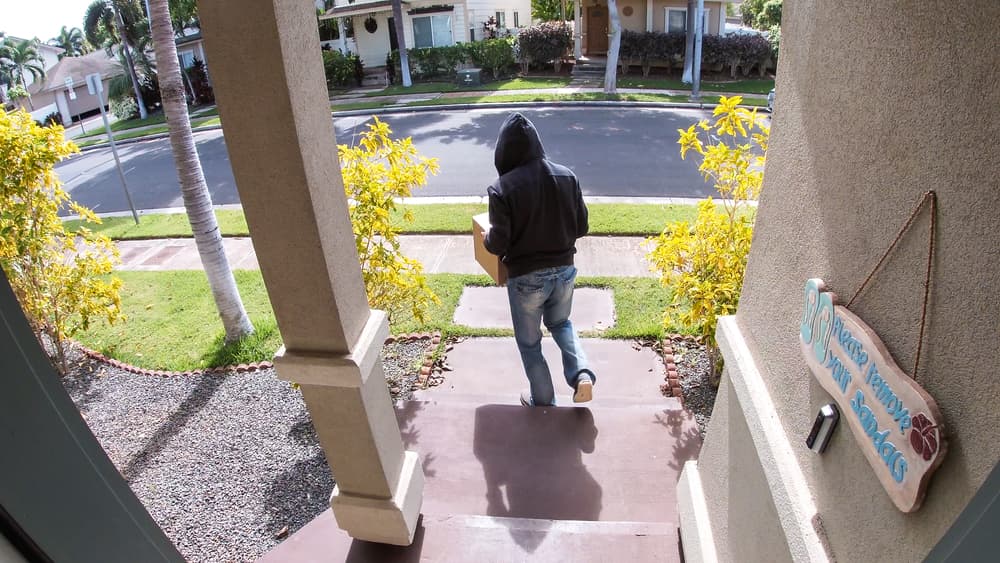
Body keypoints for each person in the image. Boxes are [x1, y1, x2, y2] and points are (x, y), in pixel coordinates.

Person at [483, 112, 596, 407]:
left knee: (530, 344)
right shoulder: (567, 176)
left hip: (526, 279)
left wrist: (484, 236)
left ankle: (544, 401)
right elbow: (581, 227)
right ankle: (582, 373)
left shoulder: (502, 188)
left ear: (504, 151)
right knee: (561, 324)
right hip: (565, 272)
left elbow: (498, 244)